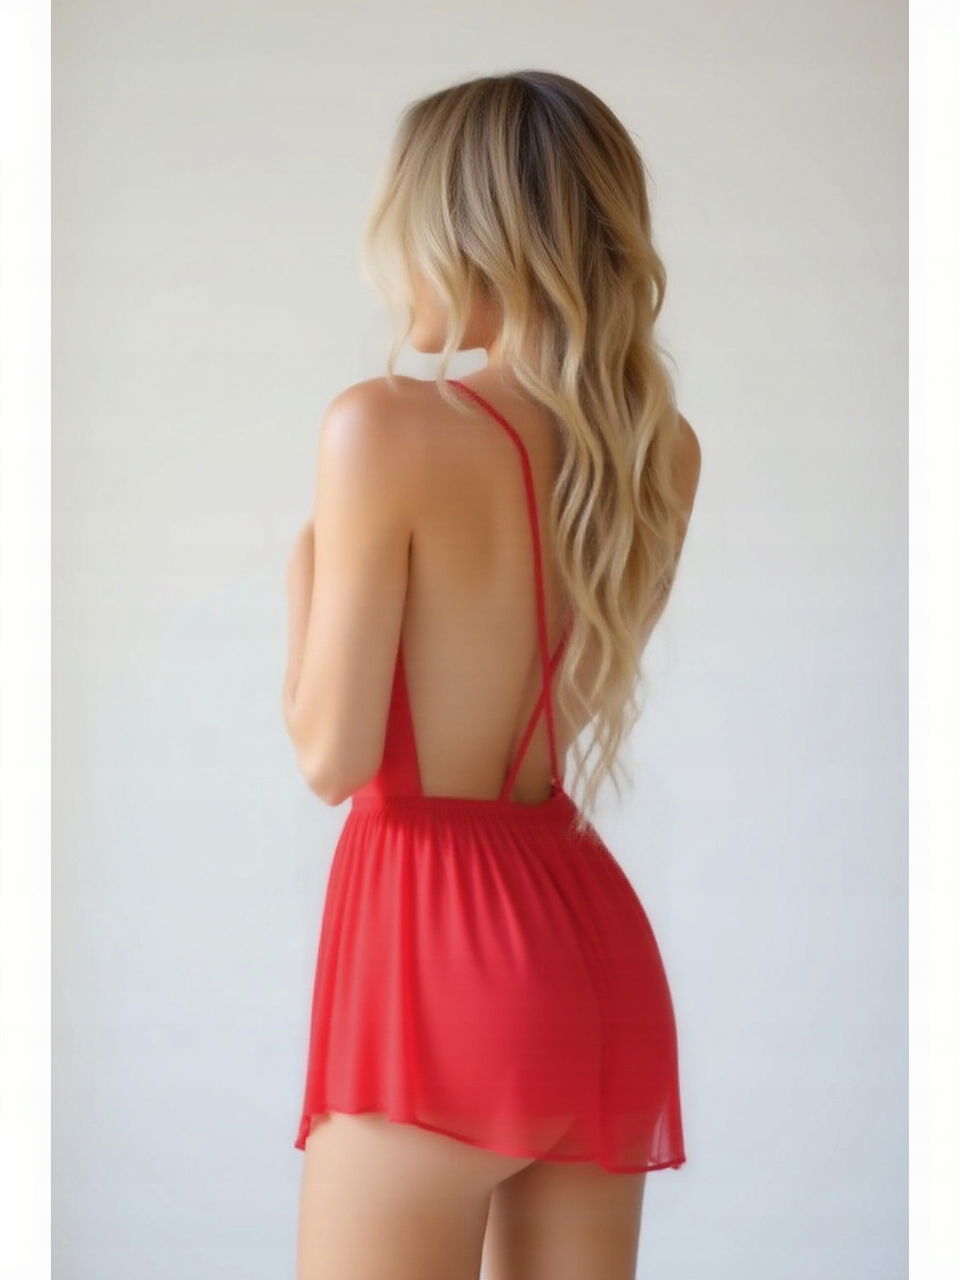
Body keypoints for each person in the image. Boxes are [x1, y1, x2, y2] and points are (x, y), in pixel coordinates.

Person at [282, 69, 701, 1280]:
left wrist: (304, 574)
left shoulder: (381, 426)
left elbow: (331, 756)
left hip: (432, 953)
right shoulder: (656, 452)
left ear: (471, 234)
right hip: (589, 946)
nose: (393, 267)